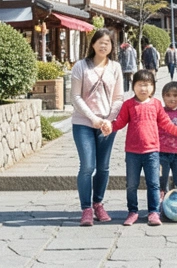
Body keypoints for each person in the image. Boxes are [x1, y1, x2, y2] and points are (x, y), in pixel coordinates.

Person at [104, 69, 177, 226]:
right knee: (131, 184)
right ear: (133, 86)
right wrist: (110, 127)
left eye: (148, 85)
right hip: (132, 153)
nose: (144, 88)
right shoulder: (128, 104)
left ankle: (154, 212)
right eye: (140, 85)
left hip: (152, 152)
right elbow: (121, 122)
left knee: (154, 184)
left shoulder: (156, 104)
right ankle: (132, 211)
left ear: (153, 87)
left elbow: (166, 124)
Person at [70, 28, 123, 226]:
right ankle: (86, 208)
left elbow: (119, 97)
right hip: (84, 123)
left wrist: (108, 120)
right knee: (87, 166)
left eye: (108, 42)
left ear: (112, 46)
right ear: (92, 44)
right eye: (100, 41)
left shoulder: (116, 67)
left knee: (103, 167)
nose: (103, 45)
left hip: (108, 124)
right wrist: (93, 118)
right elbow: (75, 97)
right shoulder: (80, 66)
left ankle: (98, 204)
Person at [158, 82, 177, 195]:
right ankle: (161, 198)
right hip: (161, 153)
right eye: (168, 95)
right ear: (163, 97)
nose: (172, 99)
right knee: (161, 178)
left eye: (176, 95)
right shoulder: (159, 112)